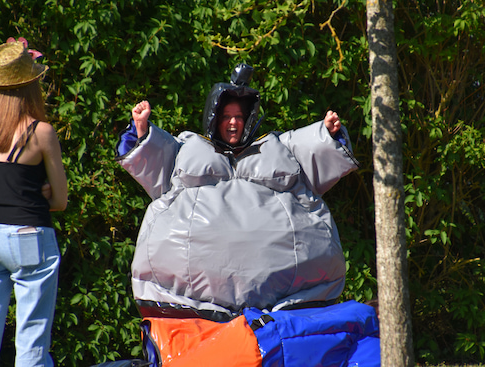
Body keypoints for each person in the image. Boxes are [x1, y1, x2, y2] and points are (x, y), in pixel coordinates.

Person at [116, 64, 360, 321]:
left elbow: (312, 148)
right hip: (190, 299)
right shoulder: (186, 148)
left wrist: (327, 133)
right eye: (226, 116)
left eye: (239, 116)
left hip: (285, 300)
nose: (233, 122)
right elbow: (154, 156)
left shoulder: (278, 147)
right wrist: (142, 129)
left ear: (250, 118)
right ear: (214, 117)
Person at [0, 39, 68, 366]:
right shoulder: (41, 132)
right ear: (31, 86)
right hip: (27, 236)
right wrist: (41, 190)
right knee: (32, 338)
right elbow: (60, 200)